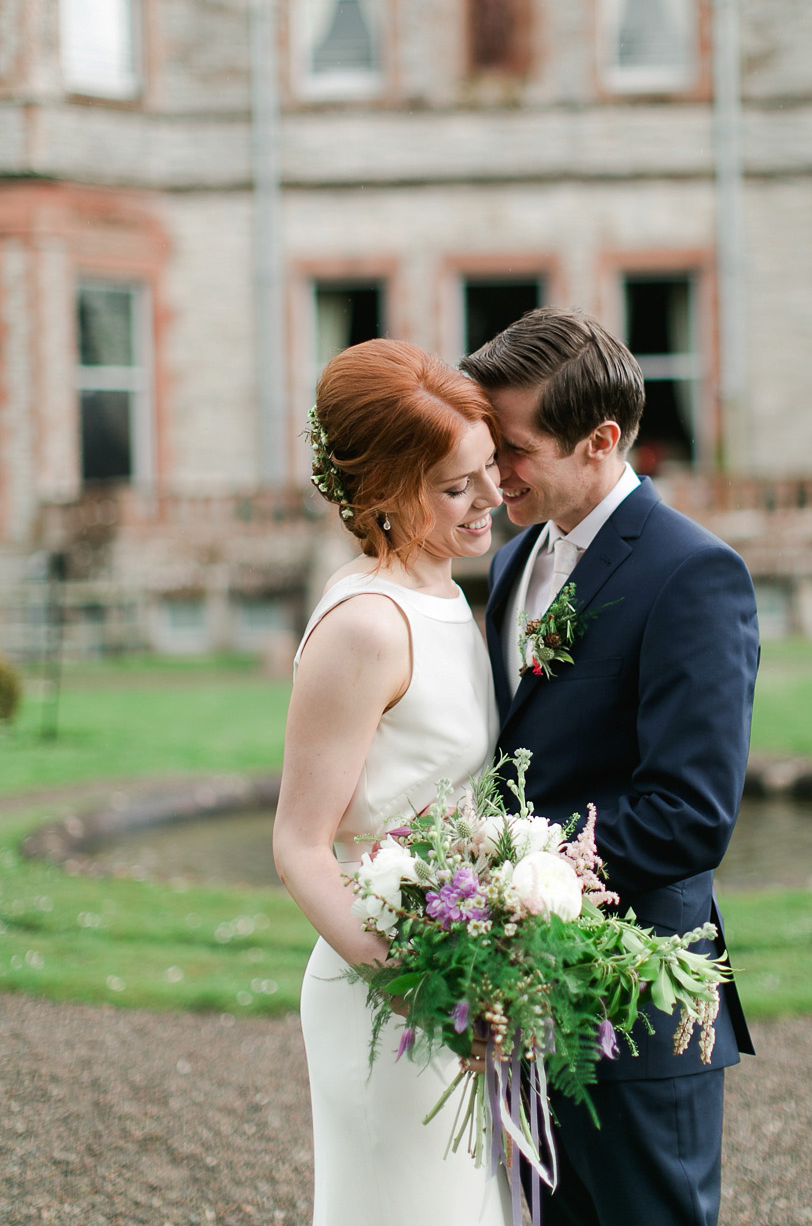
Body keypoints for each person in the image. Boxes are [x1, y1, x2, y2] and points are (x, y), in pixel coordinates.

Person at [461, 307, 760, 1226]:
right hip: (529, 1002)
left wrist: (510, 868)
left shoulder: (693, 574)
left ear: (599, 440)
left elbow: (689, 813)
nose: (491, 473)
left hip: (637, 1017)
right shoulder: (515, 562)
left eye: (513, 448)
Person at [273, 339, 509, 1226]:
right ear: (383, 494)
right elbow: (299, 843)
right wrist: (417, 989)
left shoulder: (446, 592)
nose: (490, 497)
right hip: (392, 1000)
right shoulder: (367, 625)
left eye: (488, 468)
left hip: (459, 973)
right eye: (457, 486)